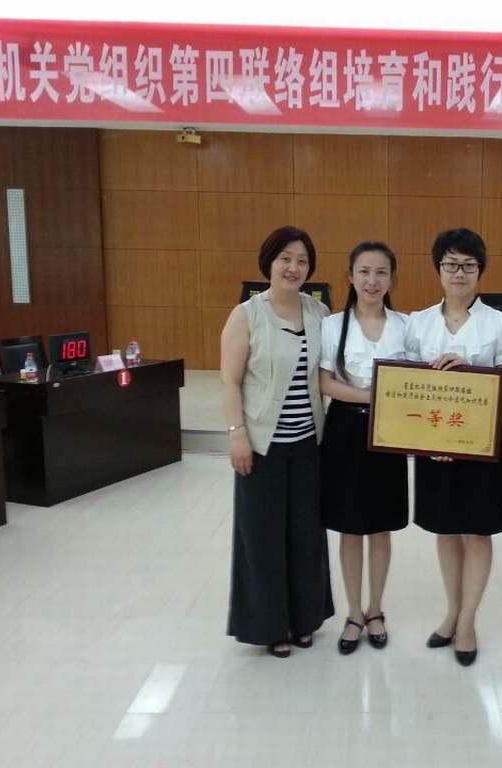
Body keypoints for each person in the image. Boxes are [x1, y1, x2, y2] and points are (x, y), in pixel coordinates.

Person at [404, 228, 502, 666]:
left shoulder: (499, 322)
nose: (459, 273)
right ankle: (451, 613)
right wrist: (422, 441)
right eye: (450, 264)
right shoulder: (418, 322)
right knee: (446, 529)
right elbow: (405, 386)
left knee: (476, 531)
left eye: (469, 265)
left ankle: (468, 620)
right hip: (434, 444)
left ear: (480, 272)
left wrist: (472, 371)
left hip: (478, 446)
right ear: (438, 269)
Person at [221, 225, 334, 658]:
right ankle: (270, 626)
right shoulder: (247, 314)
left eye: (302, 260)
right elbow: (230, 381)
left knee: (306, 535)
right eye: (285, 258)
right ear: (268, 262)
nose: (293, 267)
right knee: (262, 537)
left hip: (309, 444)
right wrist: (237, 435)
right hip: (262, 446)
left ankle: (305, 619)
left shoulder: (320, 313)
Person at [319, 241, 409, 655]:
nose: (372, 280)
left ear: (392, 279)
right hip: (345, 429)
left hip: (389, 432)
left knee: (381, 524)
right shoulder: (332, 324)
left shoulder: (405, 325)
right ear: (350, 276)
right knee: (351, 525)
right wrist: (373, 397)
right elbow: (326, 382)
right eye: (364, 271)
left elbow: (417, 381)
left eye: (381, 272)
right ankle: (353, 613)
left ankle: (376, 610)